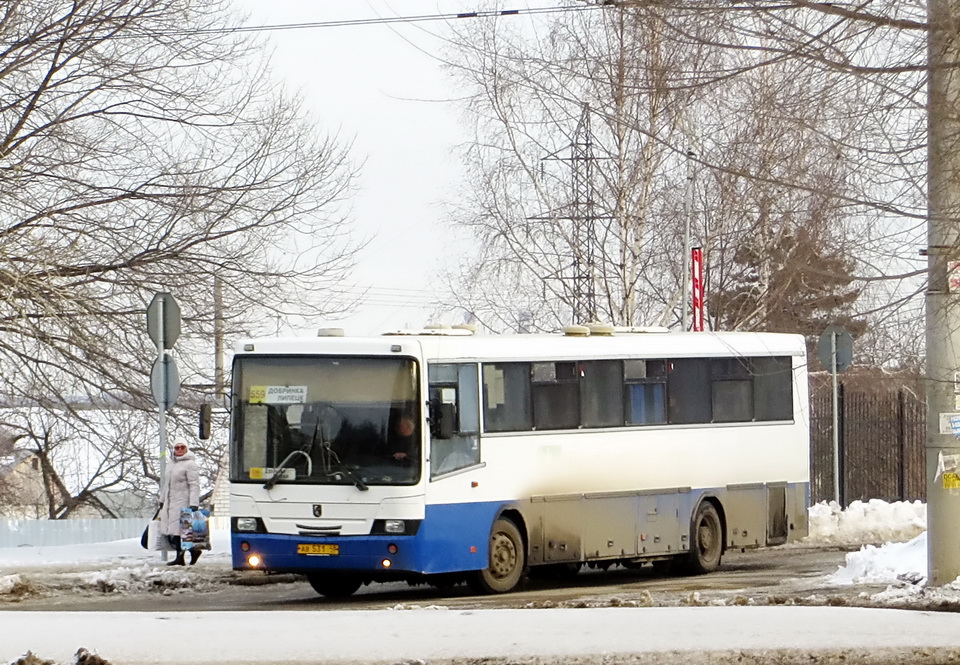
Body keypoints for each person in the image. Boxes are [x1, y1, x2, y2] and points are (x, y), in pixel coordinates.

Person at [158, 439, 201, 566]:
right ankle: (193, 552)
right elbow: (167, 484)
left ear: (187, 448)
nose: (180, 449)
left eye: (182, 447)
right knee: (174, 531)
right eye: (177, 447)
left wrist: (194, 503)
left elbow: (194, 485)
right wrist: (162, 500)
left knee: (180, 531)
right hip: (170, 501)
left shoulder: (190, 464)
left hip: (183, 501)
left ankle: (180, 557)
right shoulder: (171, 464)